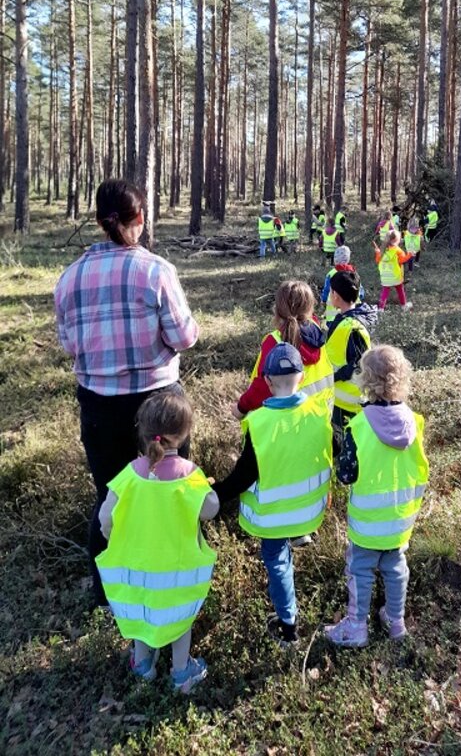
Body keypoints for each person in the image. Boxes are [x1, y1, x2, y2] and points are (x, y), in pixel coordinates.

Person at [54, 178, 198, 607]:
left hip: (99, 405)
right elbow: (184, 336)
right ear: (138, 221)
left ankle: (108, 592)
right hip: (159, 404)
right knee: (174, 490)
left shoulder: (69, 278)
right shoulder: (156, 271)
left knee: (110, 497)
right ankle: (176, 575)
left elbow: (68, 344)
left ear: (101, 222)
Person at [97, 392, 218, 693]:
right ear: (185, 433)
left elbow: (105, 514)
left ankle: (142, 665)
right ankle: (181, 673)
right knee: (180, 621)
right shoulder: (190, 476)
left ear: (142, 432)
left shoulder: (129, 474)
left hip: (138, 567)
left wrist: (108, 531)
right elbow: (211, 509)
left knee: (142, 613)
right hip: (178, 570)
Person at [214, 343, 333, 646]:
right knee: (282, 557)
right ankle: (289, 621)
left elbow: (242, 477)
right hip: (310, 513)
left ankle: (288, 625)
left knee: (277, 561)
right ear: (302, 375)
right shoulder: (320, 413)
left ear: (266, 381)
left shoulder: (258, 423)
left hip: (272, 518)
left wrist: (212, 494)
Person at [324, 345, 429, 647]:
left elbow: (346, 475)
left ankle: (357, 625)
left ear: (365, 380)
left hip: (367, 523)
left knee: (360, 569)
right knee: (396, 569)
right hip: (400, 521)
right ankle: (396, 622)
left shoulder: (358, 426)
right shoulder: (415, 422)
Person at [234, 279, 333, 418]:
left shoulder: (274, 341)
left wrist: (241, 407)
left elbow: (264, 386)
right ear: (310, 307)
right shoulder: (316, 329)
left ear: (277, 309)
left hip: (285, 424)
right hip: (320, 418)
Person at [324, 270, 378, 448]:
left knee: (346, 445)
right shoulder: (354, 318)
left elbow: (358, 363)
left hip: (348, 401)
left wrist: (335, 376)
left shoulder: (351, 327)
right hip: (343, 398)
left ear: (336, 296)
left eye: (331, 291)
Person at [320, 245, 364, 326]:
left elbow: (326, 291)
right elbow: (361, 292)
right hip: (352, 312)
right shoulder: (354, 273)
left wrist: (323, 300)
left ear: (335, 259)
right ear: (348, 259)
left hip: (333, 315)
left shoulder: (331, 274)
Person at [374, 230, 412, 311]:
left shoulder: (382, 250)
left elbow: (377, 261)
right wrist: (410, 255)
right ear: (397, 240)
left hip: (385, 276)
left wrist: (377, 253)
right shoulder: (398, 251)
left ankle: (381, 308)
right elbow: (403, 260)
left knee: (384, 292)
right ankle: (404, 306)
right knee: (400, 290)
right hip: (396, 276)